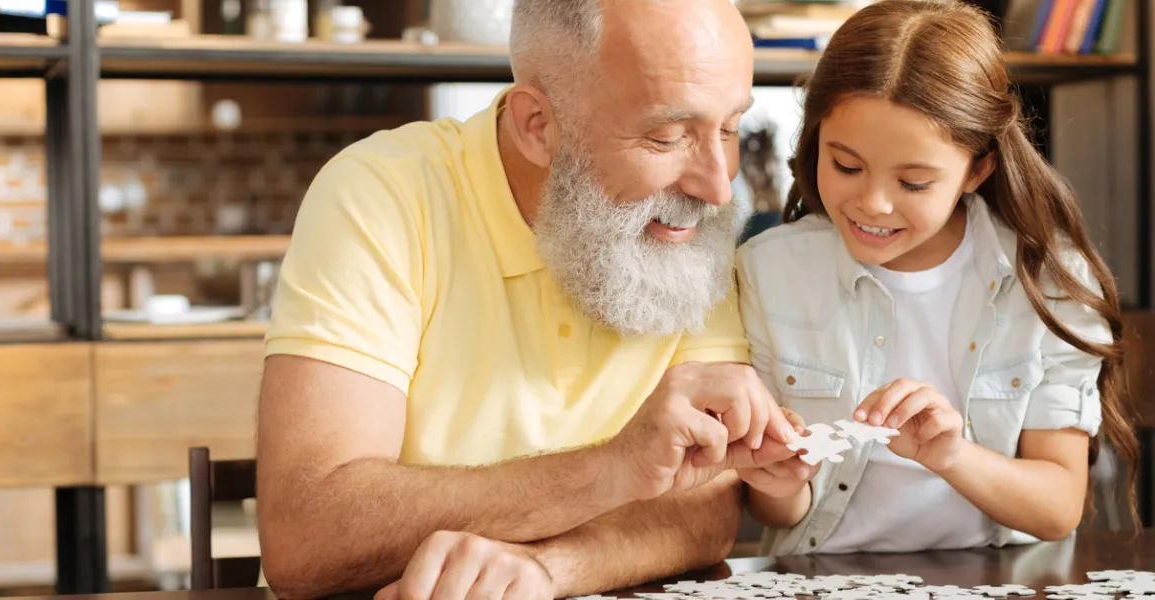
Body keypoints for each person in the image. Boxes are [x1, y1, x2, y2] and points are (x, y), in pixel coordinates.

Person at [256, 1, 802, 599]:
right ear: (537, 125)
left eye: (729, 128)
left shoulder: (687, 225)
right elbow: (307, 537)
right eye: (666, 136)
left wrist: (550, 572)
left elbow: (708, 501)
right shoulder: (381, 194)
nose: (717, 186)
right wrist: (611, 470)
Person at [735, 0, 1138, 556]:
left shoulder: (1049, 279)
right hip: (817, 579)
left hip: (995, 579)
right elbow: (774, 510)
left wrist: (952, 454)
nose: (873, 204)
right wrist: (778, 483)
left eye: (915, 183)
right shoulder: (767, 269)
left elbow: (1057, 508)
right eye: (846, 166)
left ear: (978, 168)